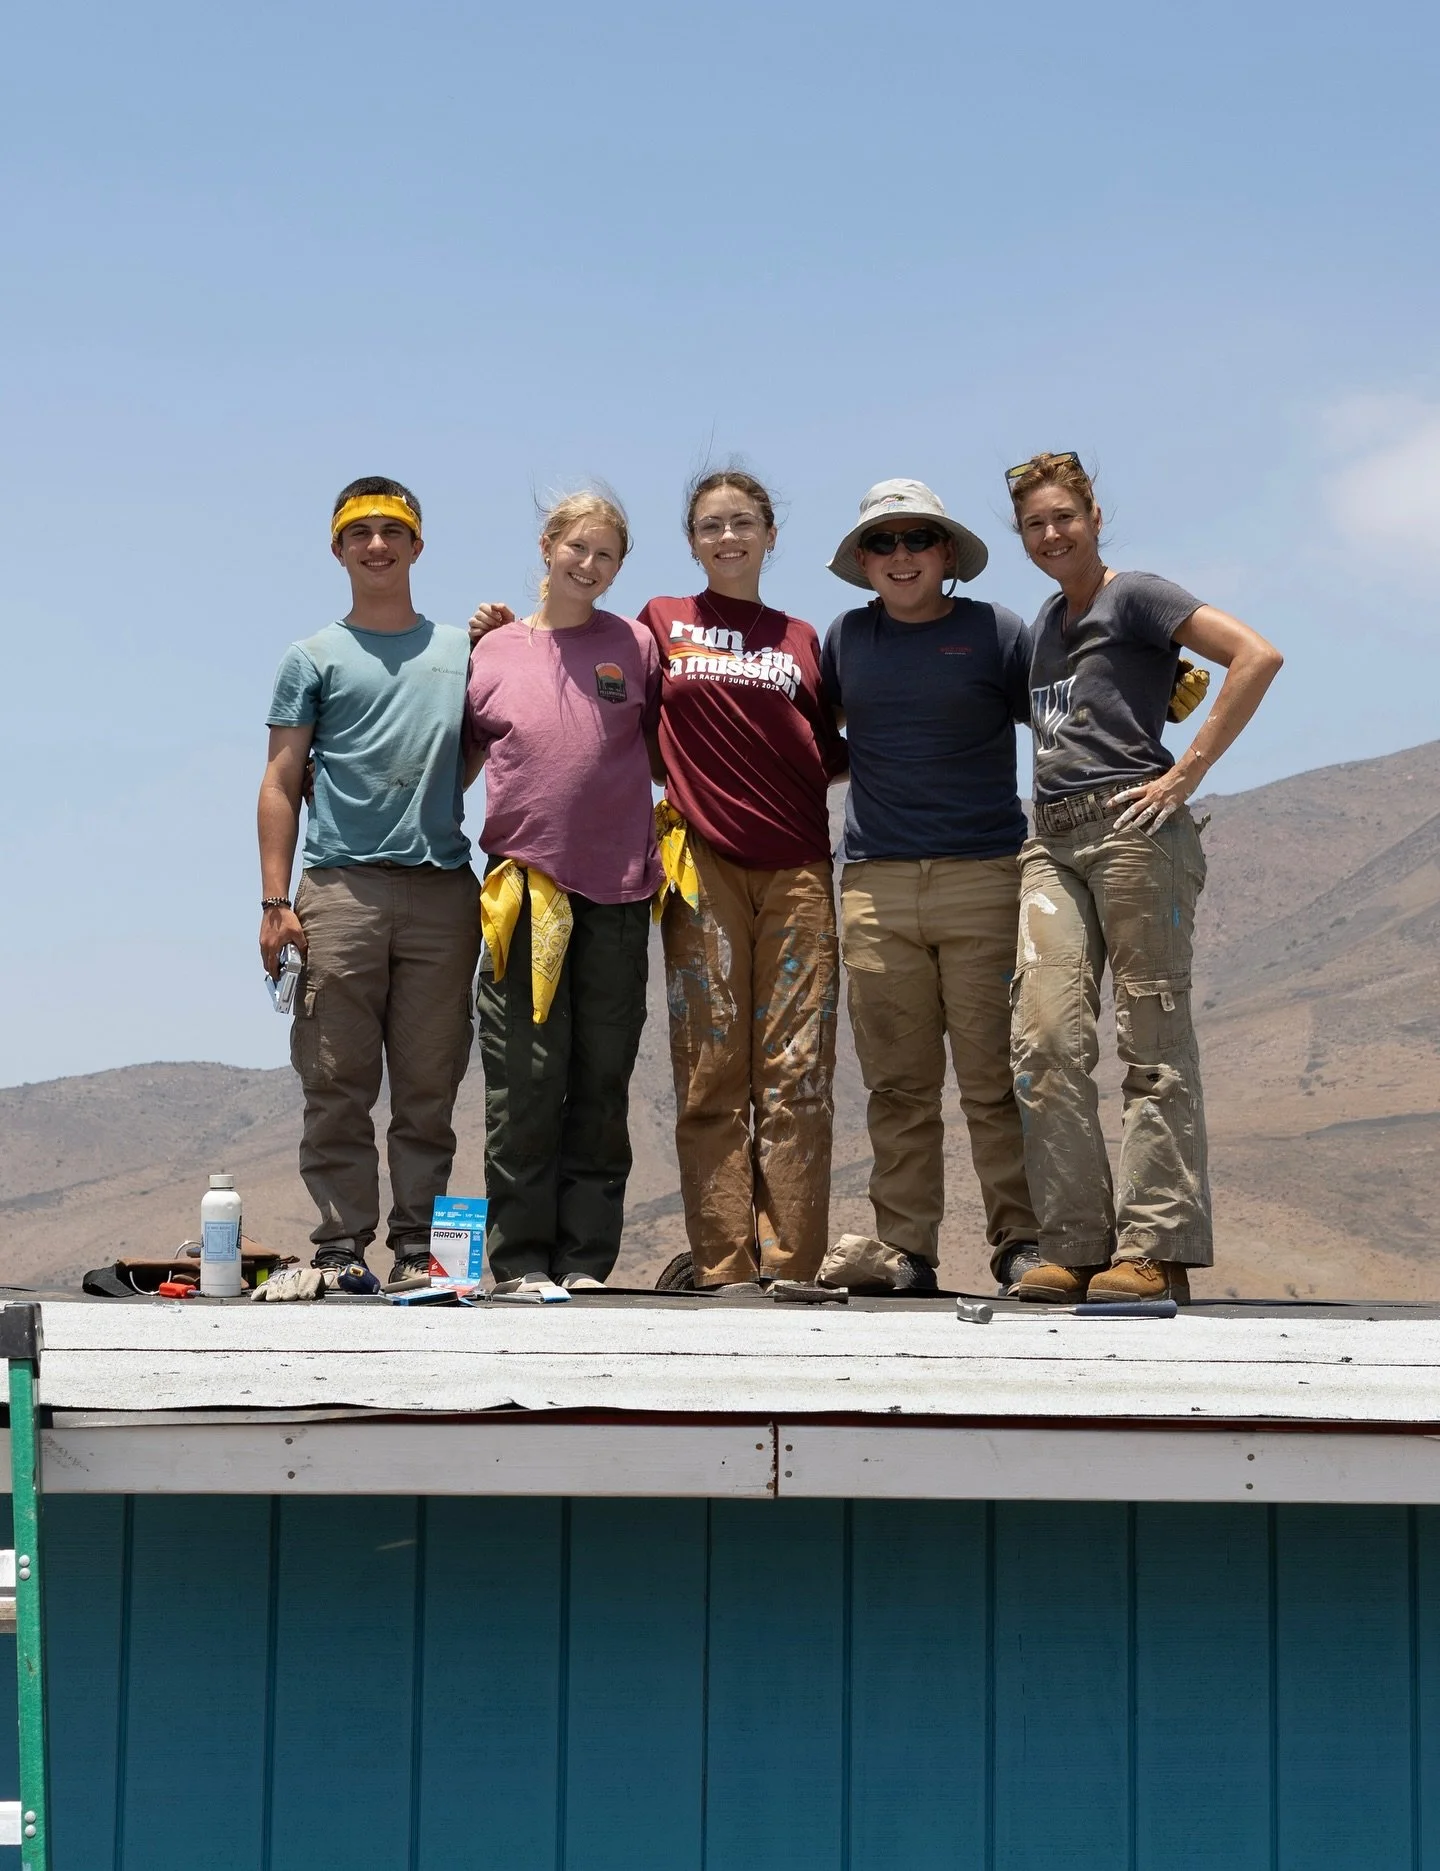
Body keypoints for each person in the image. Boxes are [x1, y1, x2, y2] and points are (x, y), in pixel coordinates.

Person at [471, 470, 846, 1291]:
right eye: (711, 525)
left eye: (744, 522)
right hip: (677, 869)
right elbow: (519, 738)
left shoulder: (798, 638)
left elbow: (835, 748)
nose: (728, 537)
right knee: (698, 1071)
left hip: (773, 870)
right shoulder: (658, 626)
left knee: (788, 1072)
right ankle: (716, 1264)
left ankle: (791, 1265)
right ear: (691, 541)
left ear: (771, 534)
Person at [1005, 451, 1283, 1303]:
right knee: (1045, 1039)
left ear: (1093, 517)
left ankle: (1155, 1247)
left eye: (1064, 518)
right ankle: (1077, 1245)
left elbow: (1256, 655)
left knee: (1151, 1038)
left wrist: (1186, 771)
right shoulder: (1048, 622)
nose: (1051, 535)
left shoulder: (1138, 594)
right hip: (1050, 840)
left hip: (1134, 829)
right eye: (1034, 525)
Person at [822, 479, 1041, 1295]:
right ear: (862, 561)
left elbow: (1059, 720)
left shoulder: (997, 633)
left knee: (995, 1078)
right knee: (898, 1084)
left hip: (984, 876)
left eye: (918, 539)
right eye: (883, 542)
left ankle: (1021, 1243)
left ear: (948, 553)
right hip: (874, 885)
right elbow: (812, 740)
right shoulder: (844, 640)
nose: (901, 556)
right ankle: (906, 1250)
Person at [258, 477, 480, 1283]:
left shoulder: (463, 650)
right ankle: (340, 1248)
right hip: (339, 891)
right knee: (336, 1079)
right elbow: (281, 780)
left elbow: (483, 744)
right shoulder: (312, 656)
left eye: (393, 531)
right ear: (338, 548)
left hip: (442, 890)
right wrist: (275, 902)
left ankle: (419, 1252)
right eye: (361, 532)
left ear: (418, 545)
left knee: (429, 1086)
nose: (377, 545)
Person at [463, 491, 662, 1297]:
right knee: (524, 1078)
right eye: (577, 547)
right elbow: (461, 759)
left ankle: (584, 1262)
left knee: (602, 1075)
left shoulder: (637, 645)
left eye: (606, 555)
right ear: (548, 545)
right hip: (524, 892)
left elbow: (671, 753)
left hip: (618, 890)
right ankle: (517, 1263)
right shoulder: (491, 650)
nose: (589, 565)